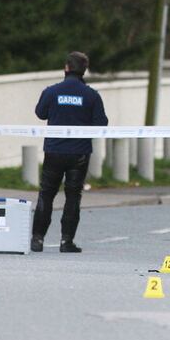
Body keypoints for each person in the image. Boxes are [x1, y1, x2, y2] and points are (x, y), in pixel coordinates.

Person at [31, 51, 108, 253]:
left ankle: (37, 239)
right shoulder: (91, 95)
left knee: (46, 194)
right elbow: (101, 123)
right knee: (73, 196)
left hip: (54, 151)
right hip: (79, 154)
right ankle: (66, 242)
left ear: (66, 67)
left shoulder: (52, 91)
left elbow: (40, 113)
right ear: (84, 70)